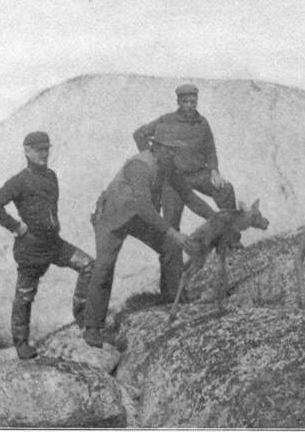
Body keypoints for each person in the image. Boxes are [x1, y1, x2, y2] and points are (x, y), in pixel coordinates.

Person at [83, 133, 217, 348]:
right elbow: (144, 206)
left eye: (175, 150)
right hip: (112, 217)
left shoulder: (167, 165)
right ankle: (92, 327)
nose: (173, 154)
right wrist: (173, 232)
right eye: (169, 150)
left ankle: (172, 296)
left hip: (138, 217)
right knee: (104, 267)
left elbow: (189, 196)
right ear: (157, 148)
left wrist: (217, 218)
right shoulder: (140, 166)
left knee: (171, 246)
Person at [0, 131, 94, 360]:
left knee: (88, 266)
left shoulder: (51, 176)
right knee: (25, 295)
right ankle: (21, 343)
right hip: (31, 247)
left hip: (54, 244)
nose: (43, 154)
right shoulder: (19, 181)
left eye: (46, 149)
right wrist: (16, 227)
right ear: (27, 151)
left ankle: (83, 319)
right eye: (38, 150)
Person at [133, 83, 238, 297]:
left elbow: (210, 149)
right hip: (173, 179)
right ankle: (172, 290)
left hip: (199, 174)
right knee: (172, 228)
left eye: (193, 101)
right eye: (185, 102)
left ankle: (229, 240)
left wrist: (215, 170)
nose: (190, 106)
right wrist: (154, 162)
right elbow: (139, 134)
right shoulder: (166, 121)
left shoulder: (202, 123)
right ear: (178, 102)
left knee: (226, 190)